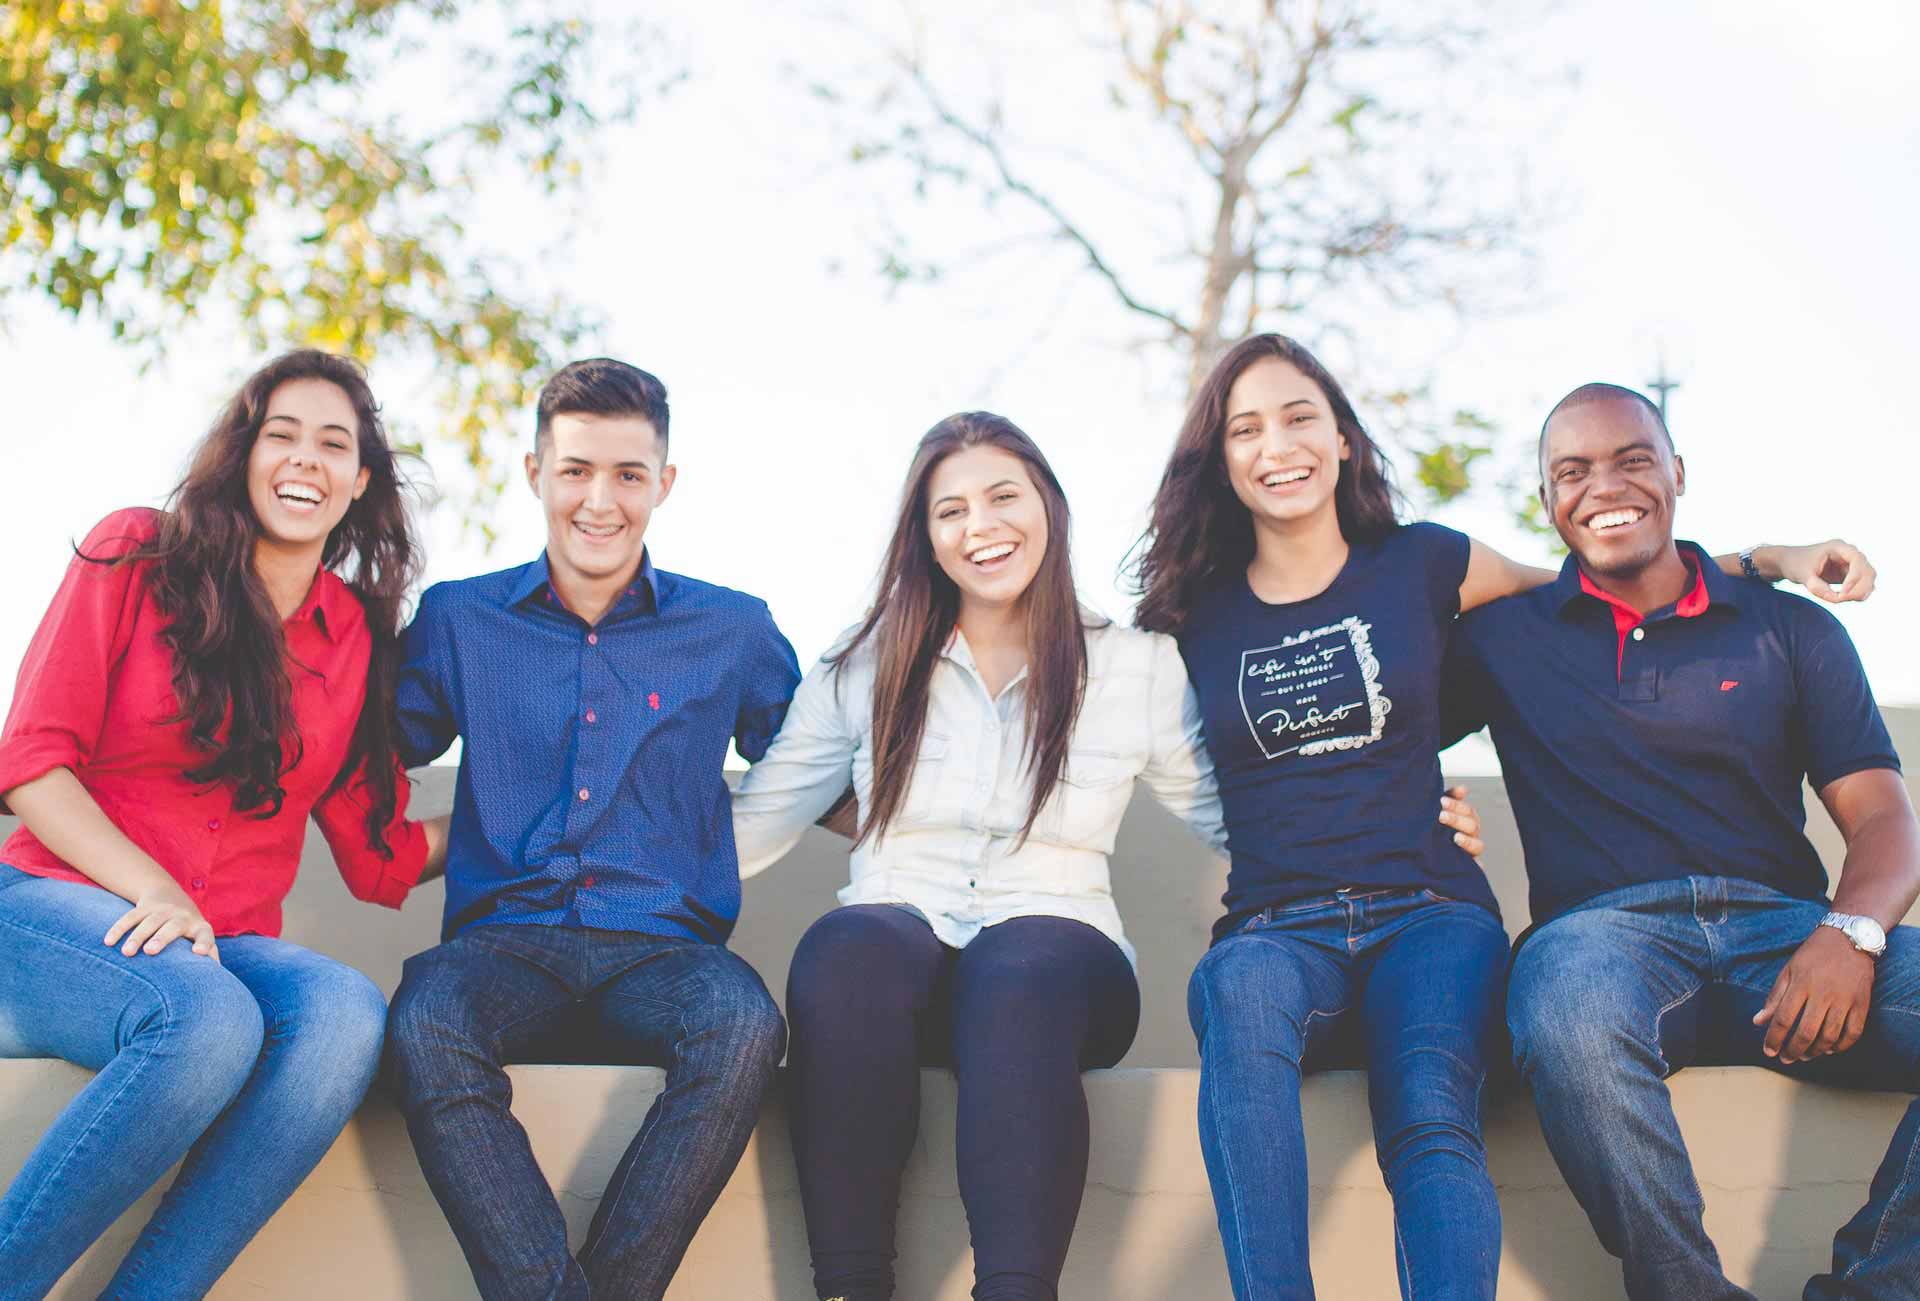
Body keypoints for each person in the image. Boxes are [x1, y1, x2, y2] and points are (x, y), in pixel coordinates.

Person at [1130, 335, 1867, 1300]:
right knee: (1239, 1004)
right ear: (1221, 458)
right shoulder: (1190, 614)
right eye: (1248, 427)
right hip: (1275, 921)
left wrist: (1767, 557)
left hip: (1431, 909)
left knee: (1432, 1109)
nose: (1280, 444)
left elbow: (1600, 583)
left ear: (1344, 439)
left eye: (1302, 416)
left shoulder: (1427, 562)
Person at [727, 410, 1488, 1301]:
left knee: (1019, 967)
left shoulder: (1133, 667)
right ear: (925, 537)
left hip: (1061, 963)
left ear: (1048, 505)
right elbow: (760, 816)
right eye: (951, 511)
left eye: (1005, 496)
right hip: (899, 957)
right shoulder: (863, 667)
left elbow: (1245, 811)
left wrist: (1407, 818)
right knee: (845, 945)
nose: (982, 527)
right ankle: (852, 1289)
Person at [1442, 382, 1915, 1301]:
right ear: (1547, 503)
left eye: (1631, 459)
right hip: (1603, 943)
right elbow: (1368, 736)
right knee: (1566, 1015)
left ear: (1677, 474)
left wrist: (1850, 934)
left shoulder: (1790, 628)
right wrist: (1427, 805)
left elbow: (1887, 818)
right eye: (1570, 471)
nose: (1602, 485)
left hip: (1788, 937)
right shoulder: (1499, 639)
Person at [0, 350, 444, 1298]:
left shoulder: (357, 634)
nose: (304, 460)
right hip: (53, 906)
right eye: (281, 434)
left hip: (219, 942)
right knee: (202, 1021)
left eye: (334, 444)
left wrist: (538, 817)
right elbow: (31, 762)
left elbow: (380, 855)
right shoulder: (137, 553)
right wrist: (151, 885)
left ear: (360, 481)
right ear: (243, 454)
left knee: (342, 1016)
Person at [381, 357, 802, 1301]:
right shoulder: (459, 617)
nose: (598, 500)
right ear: (535, 473)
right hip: (501, 942)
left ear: (664, 482)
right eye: (574, 470)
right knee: (423, 1018)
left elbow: (824, 770)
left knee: (742, 1026)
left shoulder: (732, 629)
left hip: (664, 950)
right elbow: (358, 756)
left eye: (626, 474)